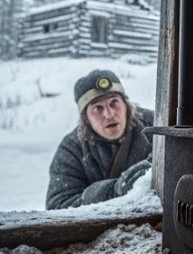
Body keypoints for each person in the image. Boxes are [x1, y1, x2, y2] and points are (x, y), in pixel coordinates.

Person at [46, 69, 156, 210]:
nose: (109, 114)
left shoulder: (154, 124)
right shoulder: (71, 149)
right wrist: (113, 191)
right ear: (86, 118)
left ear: (126, 104)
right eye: (97, 108)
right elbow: (58, 207)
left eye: (114, 102)